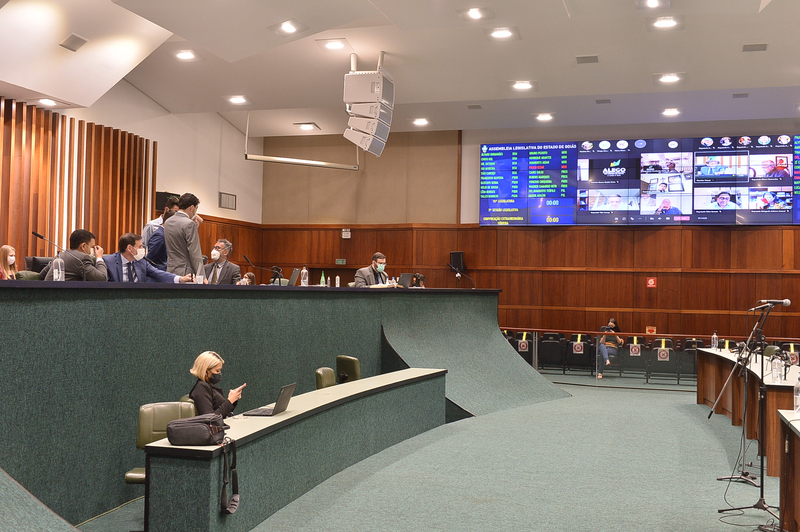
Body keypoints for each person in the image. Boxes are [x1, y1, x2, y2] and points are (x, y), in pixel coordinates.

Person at [105, 233, 193, 283]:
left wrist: (180, 278)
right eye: (140, 246)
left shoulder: (141, 261)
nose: (142, 249)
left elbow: (158, 273)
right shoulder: (108, 262)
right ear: (130, 248)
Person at [188, 351, 246, 418]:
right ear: (206, 371)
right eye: (217, 371)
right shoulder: (201, 388)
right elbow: (210, 418)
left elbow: (222, 412)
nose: (219, 374)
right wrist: (230, 401)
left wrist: (233, 399)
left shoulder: (208, 386)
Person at [39, 229, 107, 281]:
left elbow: (41, 275)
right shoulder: (82, 259)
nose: (93, 250)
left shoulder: (61, 256)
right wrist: (99, 258)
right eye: (92, 247)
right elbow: (102, 278)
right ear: (83, 246)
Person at [164, 193, 203, 276]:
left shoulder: (167, 222)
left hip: (170, 271)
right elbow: (195, 253)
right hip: (186, 272)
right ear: (192, 207)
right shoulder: (190, 224)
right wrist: (201, 275)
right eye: (196, 208)